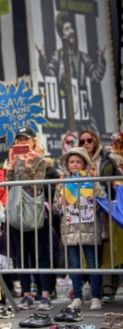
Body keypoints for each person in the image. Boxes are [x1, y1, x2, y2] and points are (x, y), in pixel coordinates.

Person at [5, 126, 53, 311]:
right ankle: (26, 295)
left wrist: (27, 165)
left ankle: (45, 295)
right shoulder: (14, 160)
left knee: (41, 253)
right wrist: (11, 165)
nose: (22, 143)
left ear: (33, 141)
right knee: (22, 255)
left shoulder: (40, 160)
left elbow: (37, 186)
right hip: (17, 213)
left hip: (36, 212)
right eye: (19, 140)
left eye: (25, 140)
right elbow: (8, 184)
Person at [53, 147, 105, 311]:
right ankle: (77, 297)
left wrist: (96, 203)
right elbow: (56, 208)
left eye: (78, 161)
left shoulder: (92, 181)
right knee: (74, 264)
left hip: (90, 227)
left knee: (92, 263)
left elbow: (102, 200)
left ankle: (96, 296)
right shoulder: (62, 184)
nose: (74, 164)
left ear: (84, 164)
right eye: (72, 162)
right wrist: (60, 204)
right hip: (70, 229)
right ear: (67, 164)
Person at [78, 129, 123, 302]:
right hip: (84, 213)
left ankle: (107, 288)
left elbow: (118, 179)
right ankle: (92, 286)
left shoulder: (107, 159)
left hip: (106, 210)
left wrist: (115, 186)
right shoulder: (77, 159)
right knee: (88, 252)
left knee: (108, 250)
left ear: (95, 141)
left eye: (89, 140)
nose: (86, 144)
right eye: (82, 141)